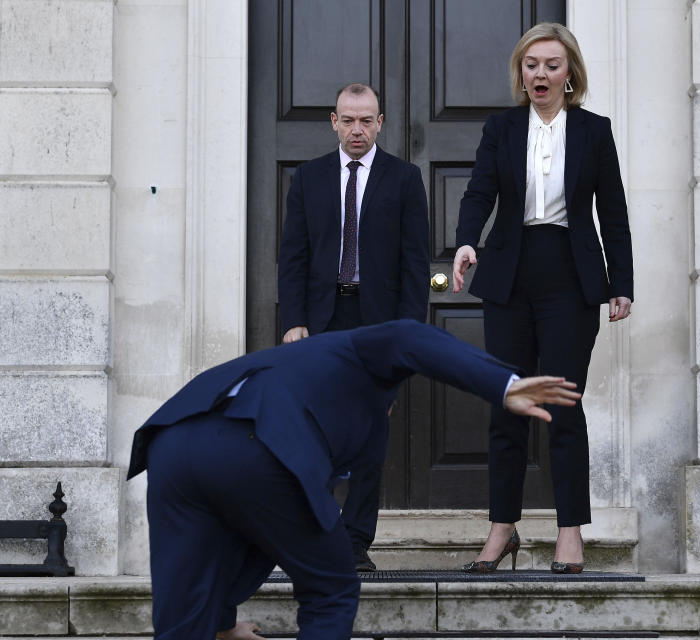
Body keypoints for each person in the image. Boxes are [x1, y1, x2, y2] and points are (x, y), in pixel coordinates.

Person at [127, 319, 581, 639]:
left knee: (182, 615)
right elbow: (410, 334)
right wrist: (502, 384)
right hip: (257, 440)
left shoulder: (297, 370)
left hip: (172, 439)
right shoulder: (355, 352)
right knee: (332, 589)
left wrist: (221, 622)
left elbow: (253, 536)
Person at [451, 23, 633, 574]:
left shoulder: (594, 131)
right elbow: (480, 188)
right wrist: (464, 240)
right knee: (506, 403)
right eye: (531, 65)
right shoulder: (501, 128)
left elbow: (614, 212)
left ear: (569, 72)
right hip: (509, 274)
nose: (541, 74)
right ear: (521, 72)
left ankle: (569, 530)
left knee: (561, 405)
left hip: (572, 278)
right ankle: (502, 527)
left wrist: (621, 282)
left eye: (552, 65)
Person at [277, 82, 430, 572]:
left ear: (380, 122)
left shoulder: (404, 179)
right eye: (349, 120)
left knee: (368, 434)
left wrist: (407, 336)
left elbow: (414, 265)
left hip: (378, 323)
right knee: (317, 432)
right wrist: (293, 321)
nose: (357, 129)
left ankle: (356, 541)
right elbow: (293, 257)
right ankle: (314, 534)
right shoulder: (308, 178)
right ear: (334, 121)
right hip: (322, 321)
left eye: (367, 120)